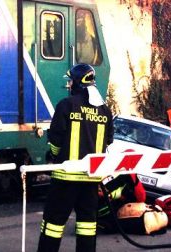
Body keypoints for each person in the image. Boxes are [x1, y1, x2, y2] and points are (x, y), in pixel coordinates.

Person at [37, 64, 113, 252]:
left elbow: (55, 140)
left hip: (66, 178)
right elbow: (108, 142)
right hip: (90, 180)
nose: (69, 84)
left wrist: (55, 157)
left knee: (53, 224)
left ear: (78, 83)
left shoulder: (66, 105)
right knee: (87, 226)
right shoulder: (105, 111)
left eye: (71, 81)